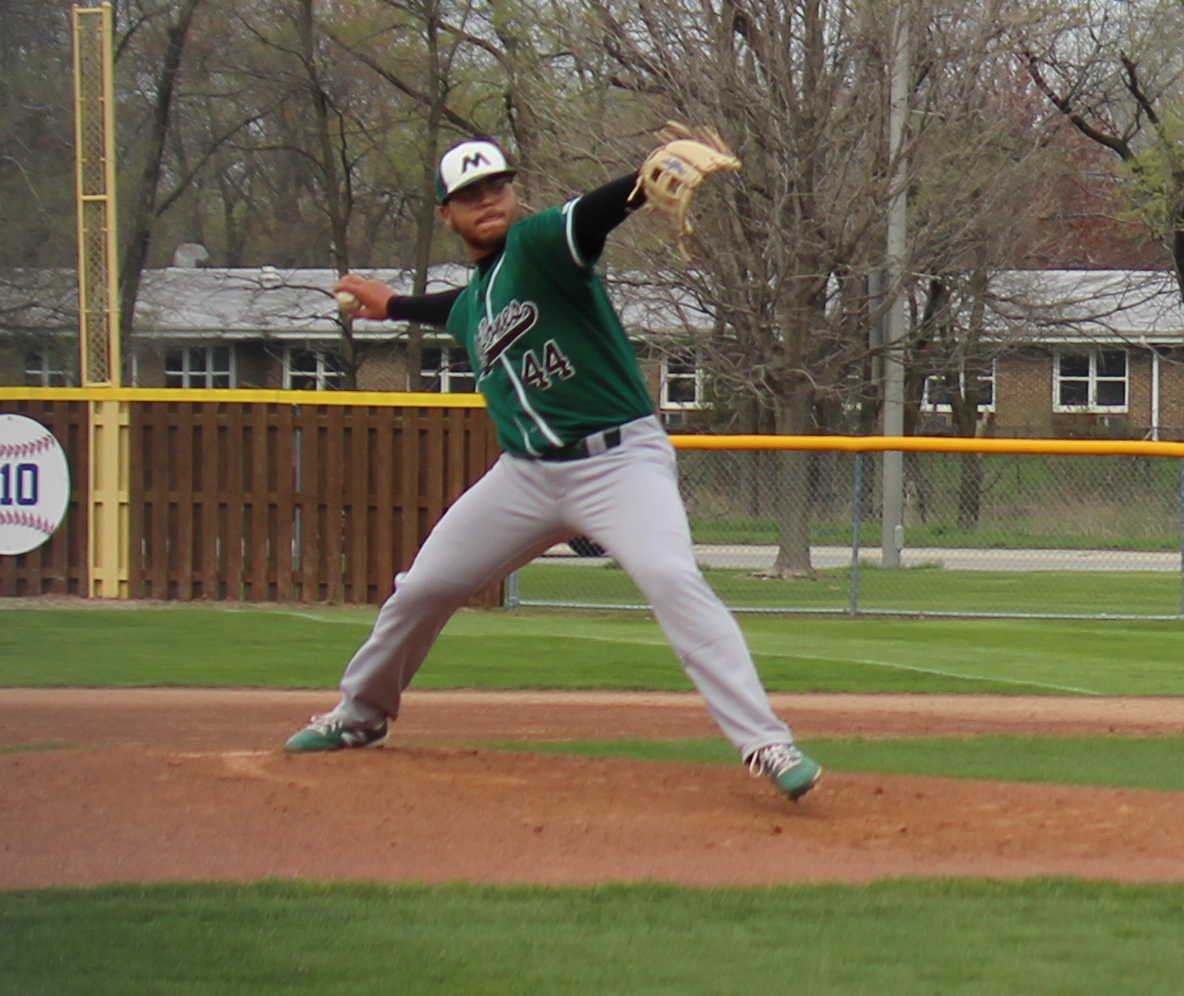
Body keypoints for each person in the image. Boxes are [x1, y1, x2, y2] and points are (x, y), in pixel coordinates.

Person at [283, 133, 819, 800]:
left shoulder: (539, 245)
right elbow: (445, 309)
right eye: (468, 195)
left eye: (496, 187)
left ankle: (766, 743)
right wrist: (389, 305)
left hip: (618, 462)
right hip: (527, 477)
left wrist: (639, 179)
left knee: (670, 577)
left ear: (513, 194)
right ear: (446, 216)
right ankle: (360, 718)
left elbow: (590, 216)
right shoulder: (476, 301)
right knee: (420, 589)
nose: (487, 200)